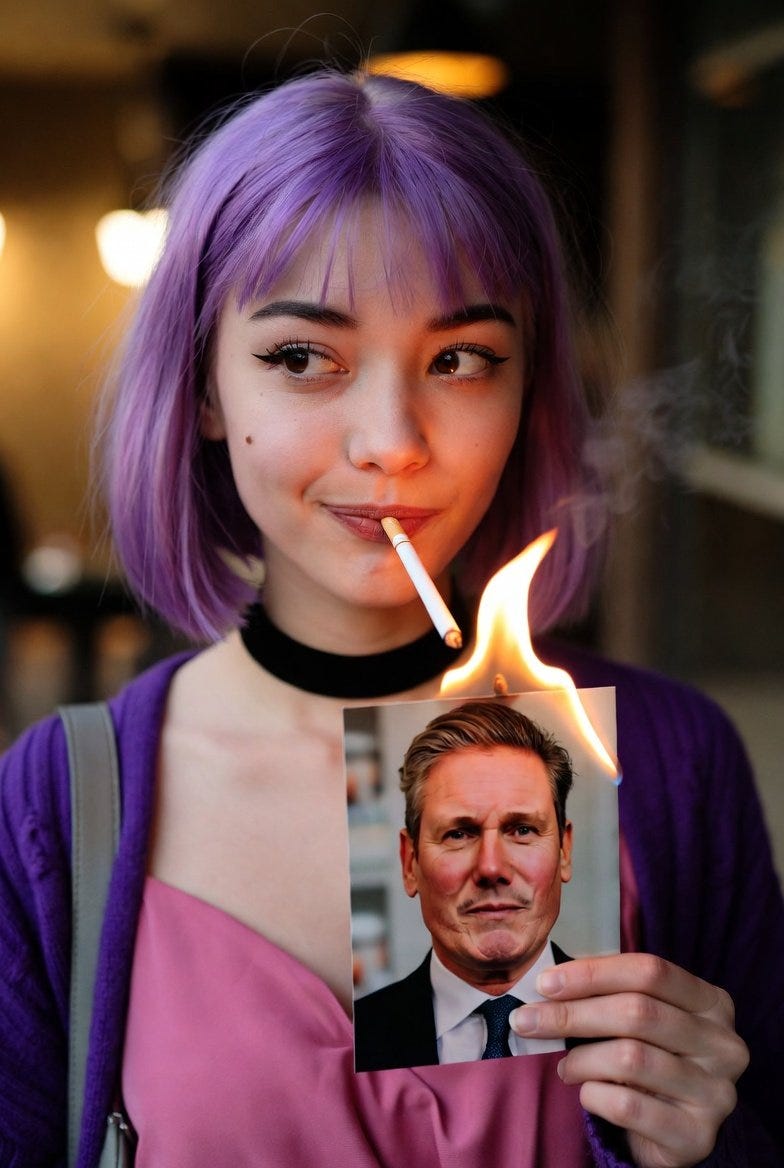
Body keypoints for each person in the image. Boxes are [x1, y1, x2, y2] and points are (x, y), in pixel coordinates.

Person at [0, 67, 780, 1168]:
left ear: (525, 388)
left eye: (460, 360)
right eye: (302, 358)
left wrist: (716, 1142)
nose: (393, 442)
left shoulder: (672, 763)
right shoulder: (55, 807)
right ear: (207, 387)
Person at [355, 701, 578, 1071]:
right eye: (459, 834)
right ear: (410, 862)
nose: (491, 867)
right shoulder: (354, 1037)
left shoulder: (630, 1027)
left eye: (522, 830)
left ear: (564, 851)